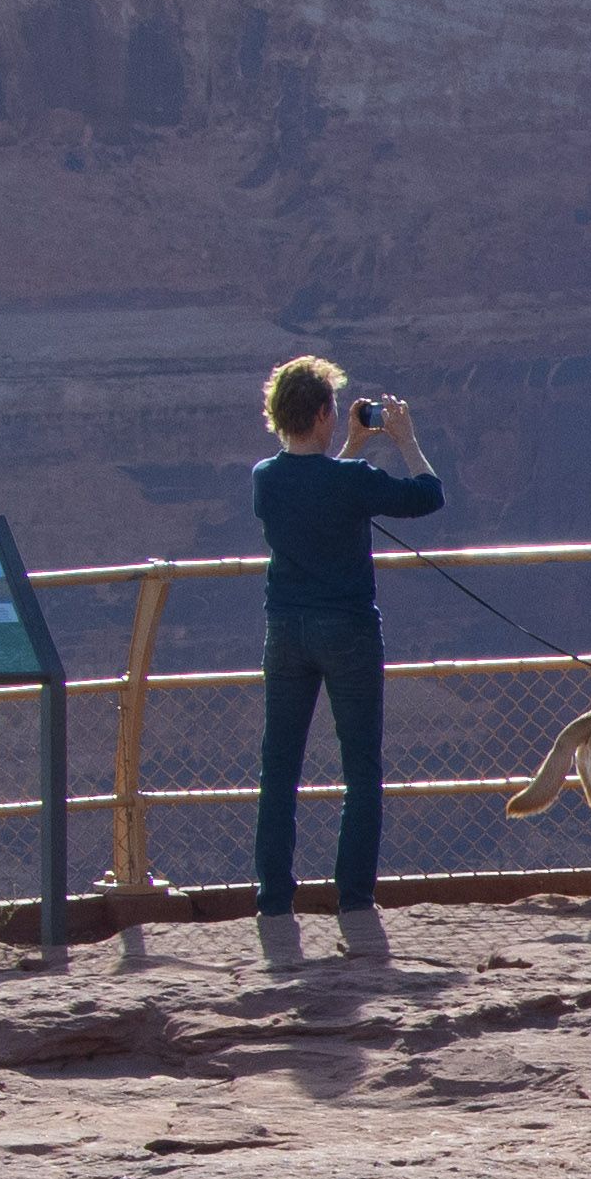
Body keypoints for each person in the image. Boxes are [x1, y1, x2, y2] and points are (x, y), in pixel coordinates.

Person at [239, 353, 452, 937]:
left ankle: (273, 902)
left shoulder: (265, 478)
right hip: (350, 632)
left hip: (285, 633)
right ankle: (354, 900)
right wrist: (404, 439)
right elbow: (428, 495)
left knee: (278, 770)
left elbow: (316, 490)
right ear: (322, 413)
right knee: (360, 767)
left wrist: (351, 444)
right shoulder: (350, 482)